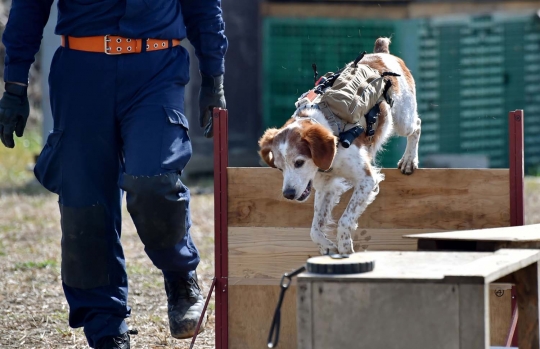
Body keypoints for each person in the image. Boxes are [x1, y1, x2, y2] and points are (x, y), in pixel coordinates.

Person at [0, 0, 227, 348]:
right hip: (81, 72)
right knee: (84, 207)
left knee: (154, 181)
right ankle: (105, 330)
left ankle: (180, 276)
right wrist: (15, 83)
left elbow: (203, 5)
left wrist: (214, 77)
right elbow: (29, 5)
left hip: (156, 68)